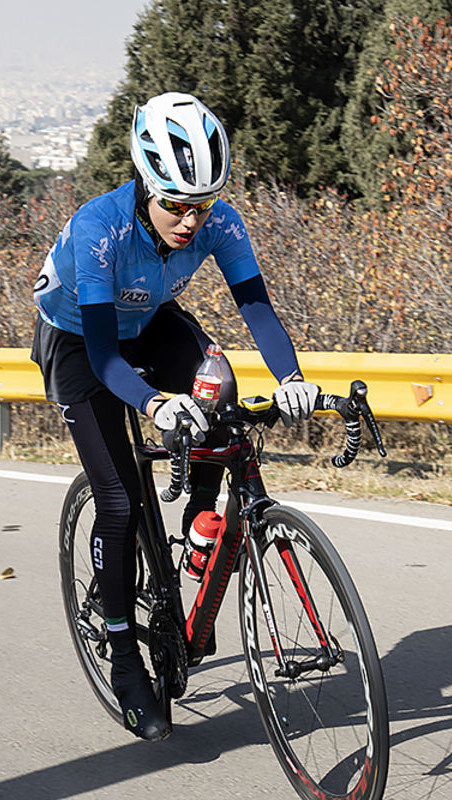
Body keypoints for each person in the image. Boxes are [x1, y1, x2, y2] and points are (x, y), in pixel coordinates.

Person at [31, 91, 321, 741]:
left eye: (202, 205)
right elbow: (106, 355)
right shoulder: (98, 227)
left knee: (219, 390)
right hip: (83, 342)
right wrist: (156, 402)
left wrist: (294, 378)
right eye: (175, 206)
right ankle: (126, 660)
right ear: (143, 183)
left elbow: (258, 309)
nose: (190, 223)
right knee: (119, 502)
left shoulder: (219, 221)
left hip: (150, 323)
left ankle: (200, 533)